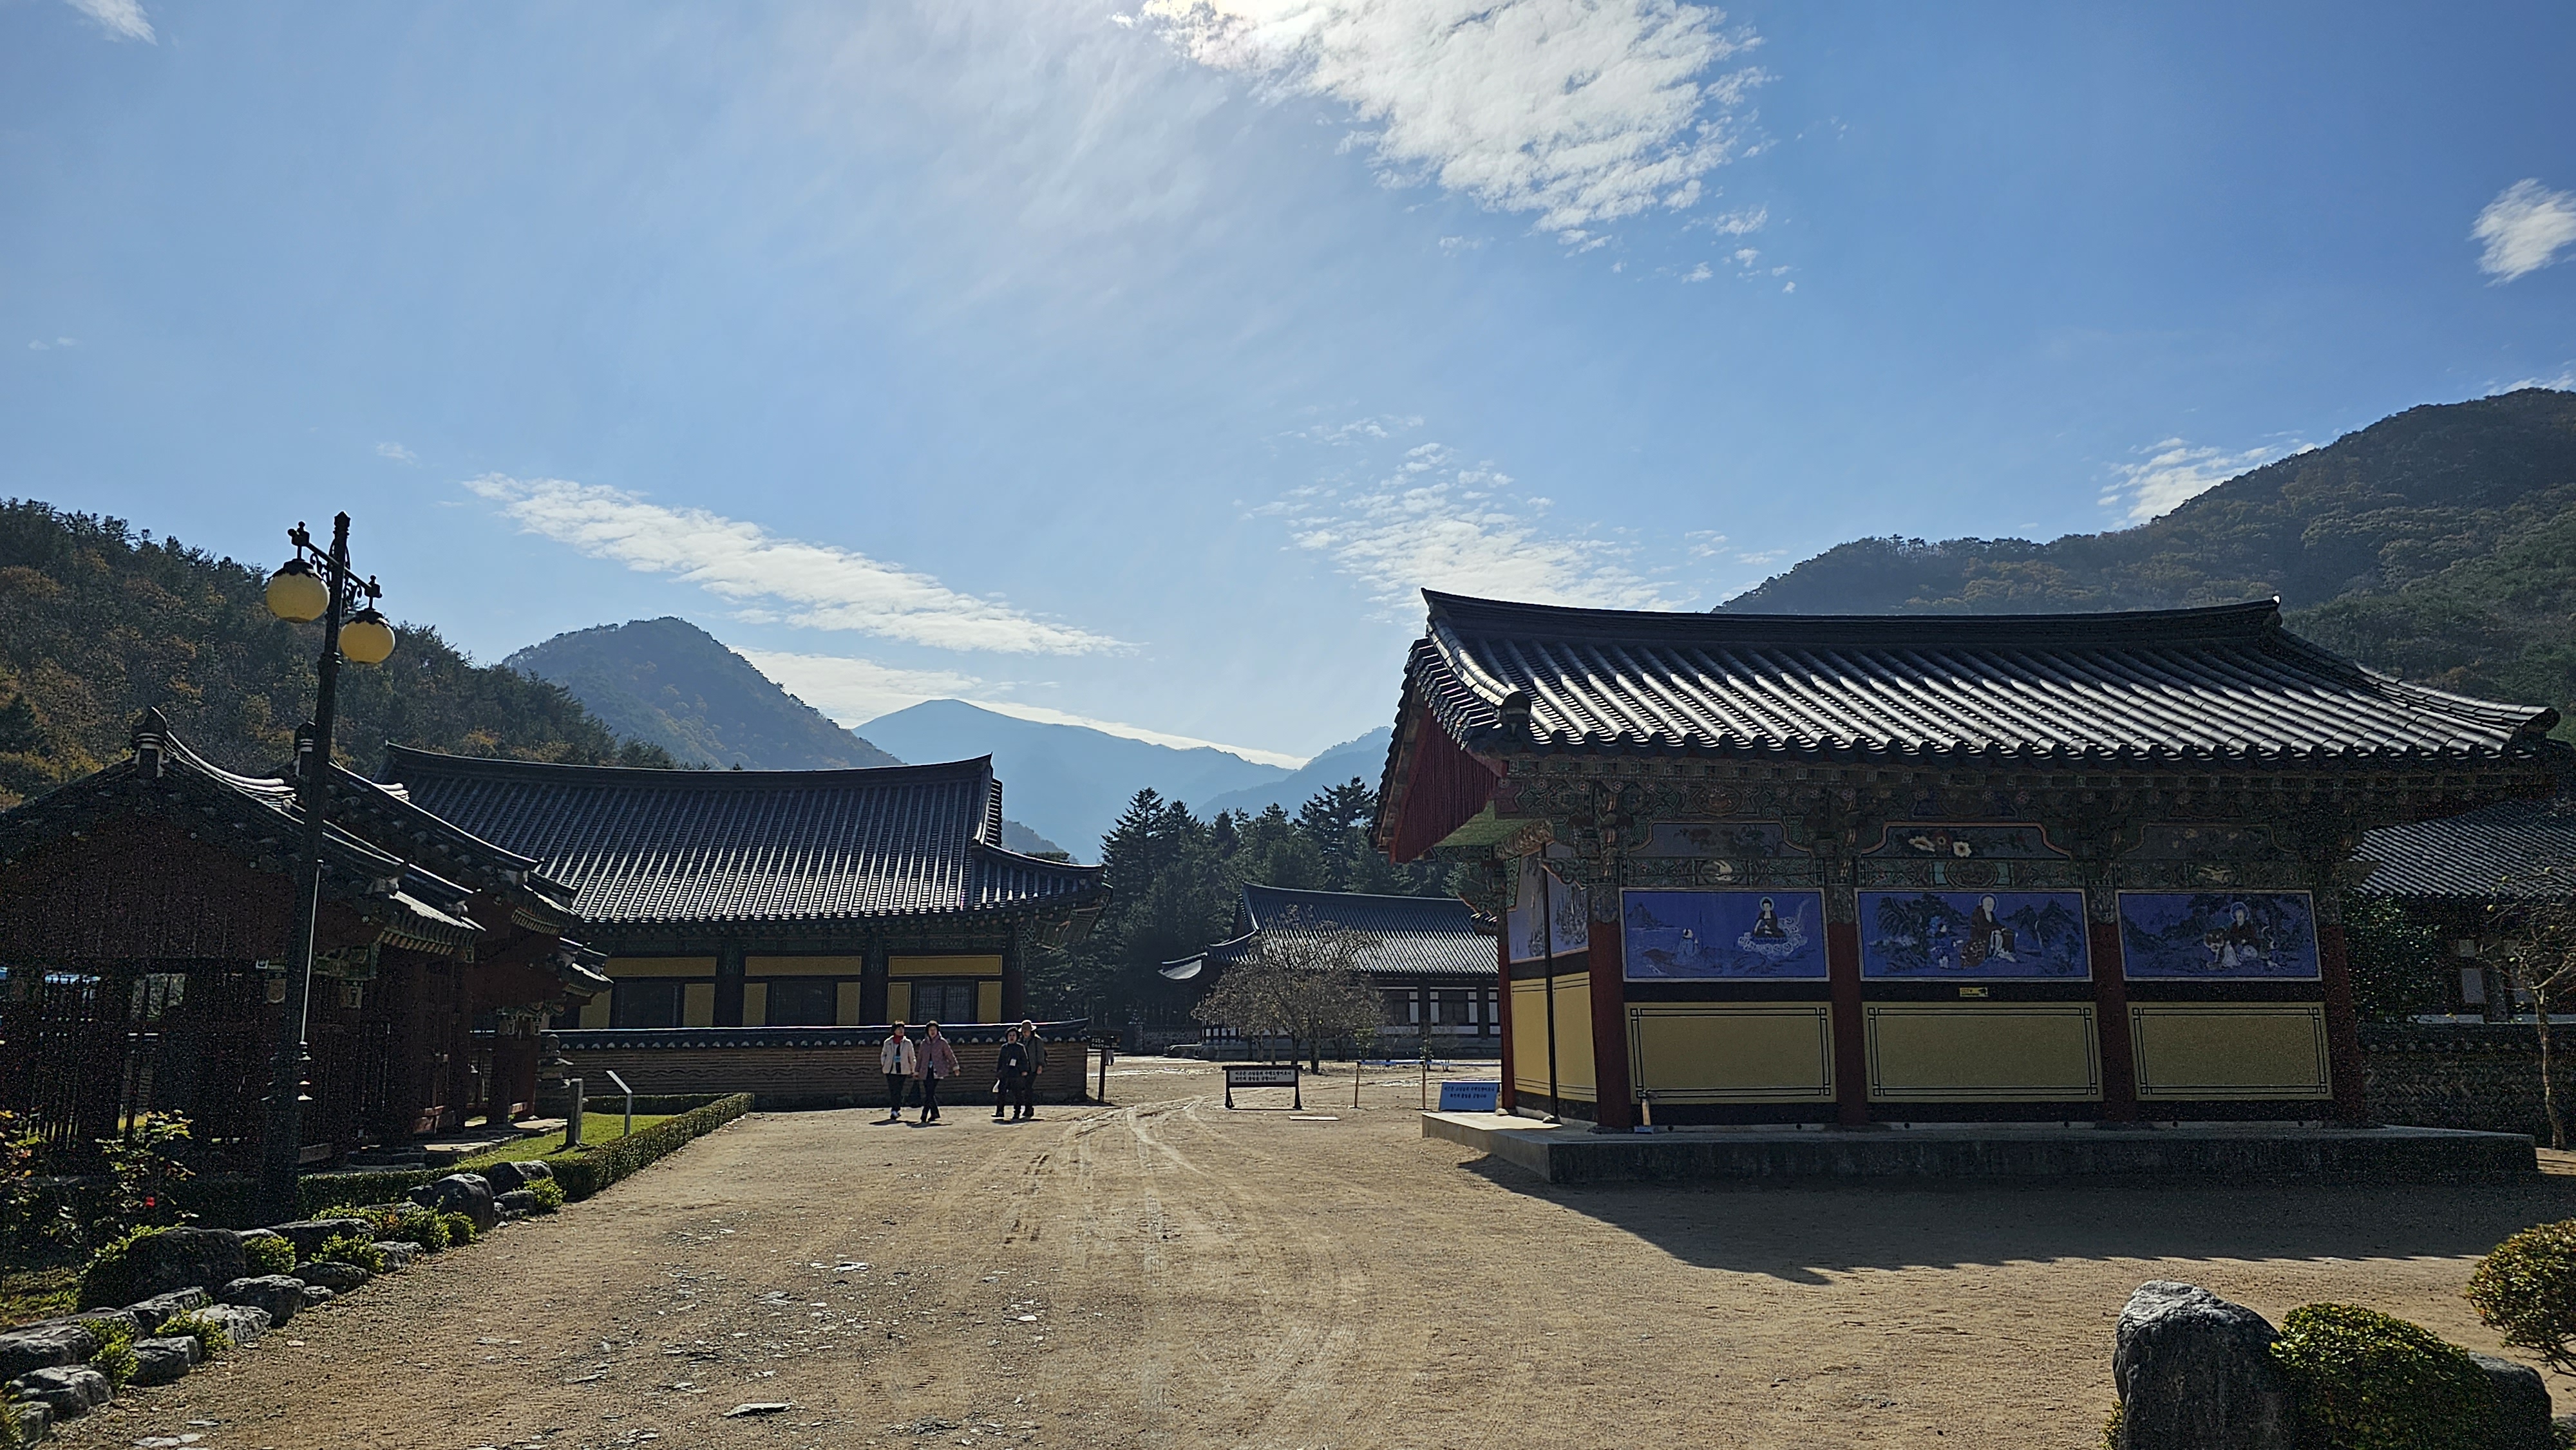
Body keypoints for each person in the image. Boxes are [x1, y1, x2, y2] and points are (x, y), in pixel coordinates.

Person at [914, 1020, 958, 1124]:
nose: (933, 1032)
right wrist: (916, 1071)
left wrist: (955, 1066)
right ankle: (935, 1113)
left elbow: (949, 1055)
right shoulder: (924, 1043)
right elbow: (920, 1058)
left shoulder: (942, 1042)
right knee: (929, 1092)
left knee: (930, 1092)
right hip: (925, 1070)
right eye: (931, 1030)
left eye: (934, 1030)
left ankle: (924, 1114)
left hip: (937, 1070)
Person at [879, 1022, 916, 1124]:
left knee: (899, 1090)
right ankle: (894, 1109)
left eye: (902, 1029)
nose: (901, 1031)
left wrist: (913, 1069)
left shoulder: (907, 1043)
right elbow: (883, 1054)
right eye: (899, 1029)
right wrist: (885, 1064)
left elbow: (912, 1057)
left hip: (902, 1070)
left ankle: (896, 1109)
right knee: (893, 1090)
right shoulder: (888, 1042)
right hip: (890, 1070)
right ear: (894, 1030)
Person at [994, 1026, 1032, 1123]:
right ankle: (1000, 1111)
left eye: (1013, 1035)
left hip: (1016, 1074)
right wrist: (998, 1072)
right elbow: (1000, 1061)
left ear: (1017, 1037)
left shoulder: (1020, 1048)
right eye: (1010, 1035)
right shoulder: (1004, 1048)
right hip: (1005, 1074)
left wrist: (1024, 1070)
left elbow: (1024, 1060)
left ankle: (1017, 1112)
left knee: (1017, 1094)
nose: (1012, 1037)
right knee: (1001, 1093)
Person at [1014, 1019, 1046, 1121]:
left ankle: (1029, 1108)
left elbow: (1040, 1054)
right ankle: (1025, 1108)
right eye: (1023, 1031)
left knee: (1028, 1088)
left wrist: (1040, 1066)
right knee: (1022, 1089)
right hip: (1022, 1068)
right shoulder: (1020, 1041)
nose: (1025, 1033)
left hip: (1033, 1068)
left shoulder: (1037, 1041)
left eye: (1026, 1031)